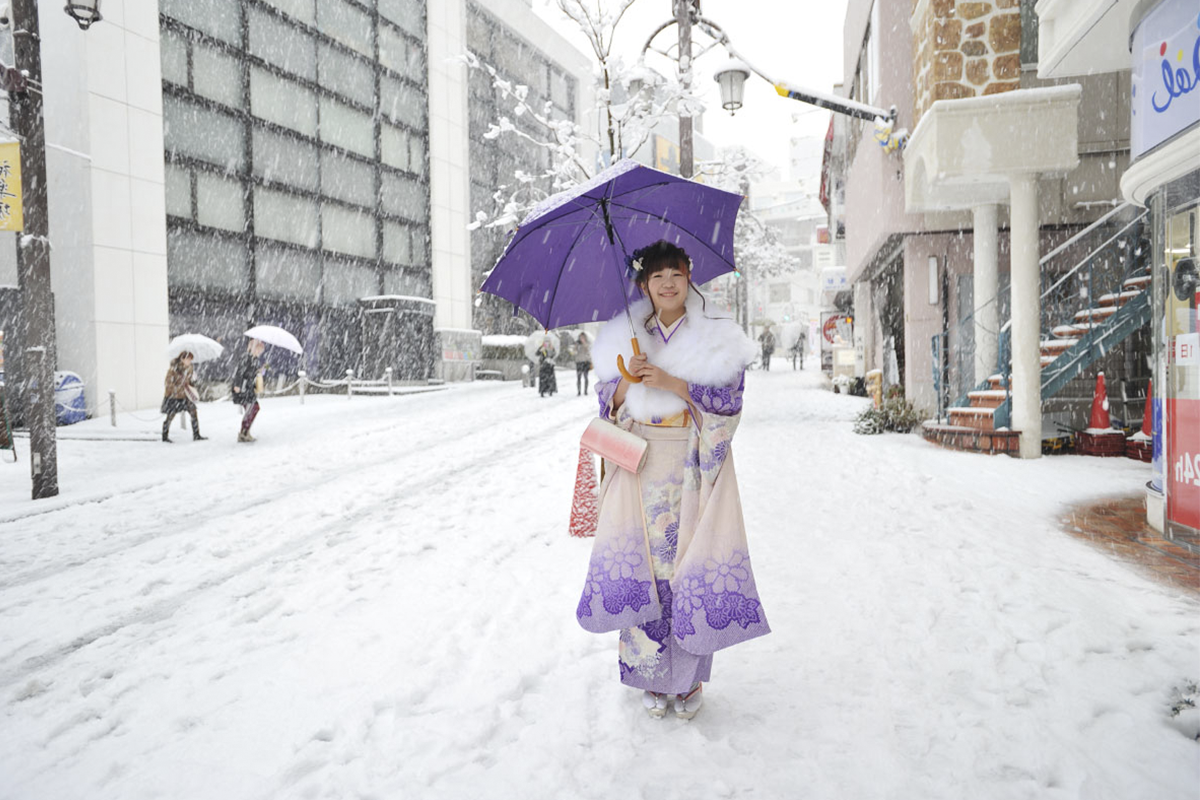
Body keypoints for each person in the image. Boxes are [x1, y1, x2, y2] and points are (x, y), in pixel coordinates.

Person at [581, 240, 770, 721]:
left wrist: (672, 384)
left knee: (686, 565)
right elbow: (608, 399)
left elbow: (728, 402)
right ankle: (648, 672)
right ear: (644, 284)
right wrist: (629, 378)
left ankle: (686, 681)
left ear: (689, 279)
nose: (668, 283)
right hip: (639, 463)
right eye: (657, 276)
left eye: (677, 274)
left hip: (689, 462)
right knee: (642, 567)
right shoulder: (626, 334)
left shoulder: (716, 336)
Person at [161, 351, 206, 442]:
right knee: (170, 416)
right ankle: (164, 436)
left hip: (186, 397)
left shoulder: (190, 369)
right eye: (188, 359)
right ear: (182, 359)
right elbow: (168, 384)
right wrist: (179, 389)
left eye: (190, 359)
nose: (189, 361)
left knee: (193, 413)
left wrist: (192, 383)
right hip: (174, 397)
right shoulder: (173, 369)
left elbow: (189, 382)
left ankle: (196, 434)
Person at [231, 339, 265, 443]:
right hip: (243, 388)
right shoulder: (246, 357)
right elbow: (239, 372)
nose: (259, 353)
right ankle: (243, 432)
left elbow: (251, 373)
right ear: (251, 348)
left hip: (249, 388)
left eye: (260, 351)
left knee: (253, 408)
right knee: (252, 408)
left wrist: (259, 371)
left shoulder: (254, 360)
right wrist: (237, 385)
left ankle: (245, 431)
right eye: (258, 350)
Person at [574, 331, 593, 396]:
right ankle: (579, 391)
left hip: (585, 362)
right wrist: (576, 347)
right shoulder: (577, 343)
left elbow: (589, 352)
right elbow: (575, 352)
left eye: (583, 337)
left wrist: (585, 344)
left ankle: (585, 391)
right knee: (578, 377)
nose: (582, 338)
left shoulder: (587, 343)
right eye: (581, 337)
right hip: (579, 362)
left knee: (586, 377)